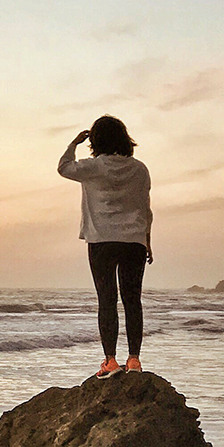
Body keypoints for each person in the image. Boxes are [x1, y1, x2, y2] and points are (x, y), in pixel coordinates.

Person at [58, 115, 152, 377]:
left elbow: (64, 167)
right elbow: (145, 207)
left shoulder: (93, 167)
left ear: (96, 141)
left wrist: (74, 143)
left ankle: (110, 361)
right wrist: (148, 240)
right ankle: (133, 360)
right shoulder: (140, 169)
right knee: (132, 300)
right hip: (134, 240)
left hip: (102, 240)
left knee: (107, 299)